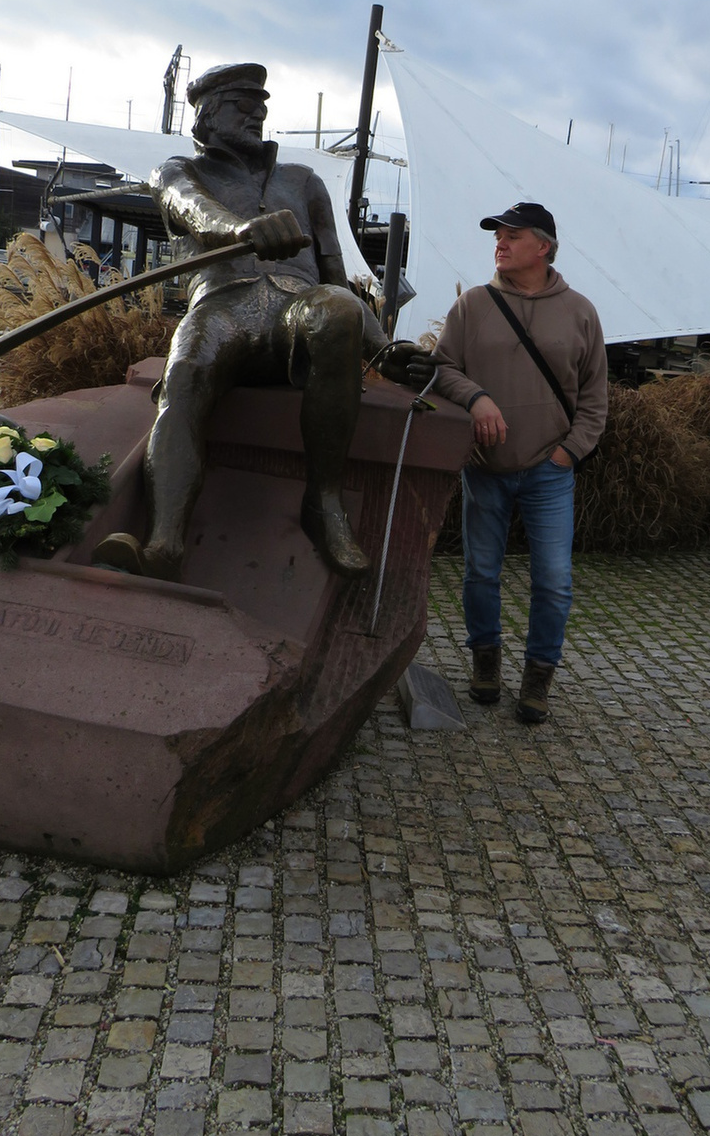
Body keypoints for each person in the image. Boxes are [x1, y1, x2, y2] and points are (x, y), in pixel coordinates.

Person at [93, 62, 419, 582]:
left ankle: (323, 504)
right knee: (184, 373)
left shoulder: (305, 183)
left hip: (298, 308)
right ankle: (163, 543)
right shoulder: (178, 172)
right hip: (221, 307)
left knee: (335, 309)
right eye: (241, 107)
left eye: (261, 108)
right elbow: (194, 210)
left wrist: (380, 347)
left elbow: (336, 277)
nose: (257, 115)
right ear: (204, 117)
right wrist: (242, 228)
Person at [425, 202, 608, 723]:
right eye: (497, 236)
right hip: (484, 468)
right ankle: (485, 665)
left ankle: (538, 679)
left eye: (512, 235)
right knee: (481, 573)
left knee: (554, 580)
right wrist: (477, 397)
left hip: (550, 473)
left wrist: (567, 453)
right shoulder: (474, 305)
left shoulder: (580, 312)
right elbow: (440, 369)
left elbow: (595, 399)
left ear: (543, 247)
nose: (500, 243)